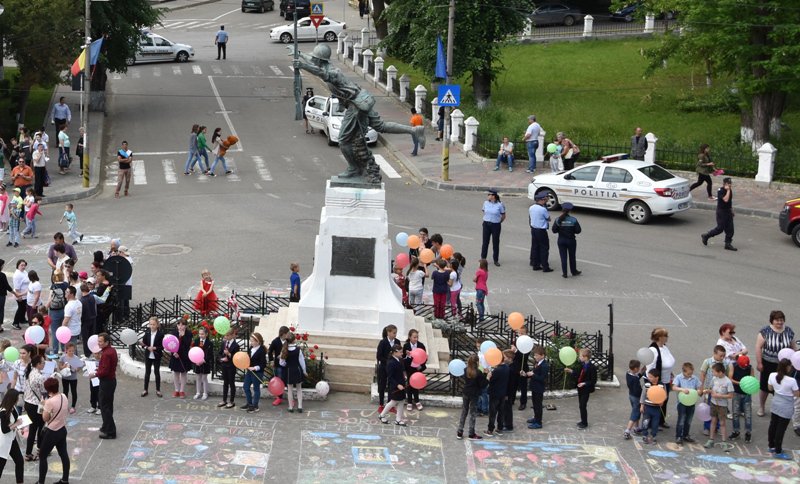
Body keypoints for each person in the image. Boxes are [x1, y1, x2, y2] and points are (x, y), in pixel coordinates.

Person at [293, 44, 425, 181]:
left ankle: (354, 169)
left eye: (315, 59)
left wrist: (303, 66)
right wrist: (300, 54)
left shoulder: (333, 73)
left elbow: (320, 72)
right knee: (380, 126)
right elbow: (315, 64)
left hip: (355, 105)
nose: (313, 60)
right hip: (362, 100)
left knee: (343, 140)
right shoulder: (323, 65)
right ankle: (414, 130)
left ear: (320, 60)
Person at [755, 310, 794, 417]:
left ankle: (778, 409)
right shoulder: (765, 331)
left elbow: (793, 346)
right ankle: (762, 407)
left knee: (783, 386)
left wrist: (795, 361)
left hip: (784, 364)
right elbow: (758, 347)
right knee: (765, 387)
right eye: (777, 320)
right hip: (768, 363)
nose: (779, 322)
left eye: (781, 320)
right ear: (772, 321)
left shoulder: (789, 331)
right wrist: (759, 363)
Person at [37, 377, 71, 484]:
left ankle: (41, 482)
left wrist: (43, 405)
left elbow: (45, 418)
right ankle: (65, 479)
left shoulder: (49, 402)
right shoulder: (64, 396)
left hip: (52, 432)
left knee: (42, 456)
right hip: (62, 429)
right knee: (63, 454)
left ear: (48, 390)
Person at [768, 358, 799, 460]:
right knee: (781, 428)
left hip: (776, 403)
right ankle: (778, 450)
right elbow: (796, 394)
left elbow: (770, 388)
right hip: (786, 406)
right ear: (787, 367)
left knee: (773, 425)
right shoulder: (792, 380)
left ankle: (771, 446)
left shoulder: (772, 375)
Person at [88, 333, 117, 439]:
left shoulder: (106, 354)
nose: (98, 343)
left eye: (100, 341)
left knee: (104, 406)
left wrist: (95, 374)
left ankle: (110, 431)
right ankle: (106, 426)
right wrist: (98, 370)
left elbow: (104, 371)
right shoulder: (111, 350)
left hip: (107, 382)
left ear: (106, 342)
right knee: (108, 405)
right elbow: (106, 368)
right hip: (110, 381)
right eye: (98, 341)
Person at [645, 327, 675, 427]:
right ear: (660, 337)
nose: (667, 338)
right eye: (665, 336)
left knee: (664, 400)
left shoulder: (665, 347)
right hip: (657, 381)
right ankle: (653, 423)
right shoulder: (653, 350)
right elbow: (650, 368)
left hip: (666, 379)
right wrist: (654, 383)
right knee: (655, 402)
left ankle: (661, 421)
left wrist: (670, 373)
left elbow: (669, 362)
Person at [701, 177, 736, 251]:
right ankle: (706, 236)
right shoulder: (720, 190)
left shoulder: (730, 190)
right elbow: (726, 200)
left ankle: (727, 244)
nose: (730, 185)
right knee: (720, 228)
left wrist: (731, 210)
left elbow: (729, 202)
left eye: (730, 183)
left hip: (728, 211)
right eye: (728, 184)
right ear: (724, 184)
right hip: (721, 212)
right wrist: (728, 190)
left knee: (730, 229)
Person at [457, 354, 486, 440]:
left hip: (466, 393)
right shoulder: (478, 372)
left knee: (464, 412)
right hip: (474, 395)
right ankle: (471, 433)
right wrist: (487, 378)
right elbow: (482, 385)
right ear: (477, 362)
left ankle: (459, 432)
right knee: (472, 413)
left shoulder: (465, 370)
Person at [566, 348, 597, 429]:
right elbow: (579, 374)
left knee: (582, 405)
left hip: (586, 389)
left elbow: (593, 380)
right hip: (580, 388)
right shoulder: (582, 365)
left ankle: (585, 423)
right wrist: (571, 371)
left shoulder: (592, 367)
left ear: (585, 357)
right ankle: (583, 420)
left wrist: (584, 383)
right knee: (581, 405)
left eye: (580, 356)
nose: (579, 357)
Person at [704, 362, 733, 448]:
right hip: (713, 403)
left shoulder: (728, 382)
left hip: (722, 405)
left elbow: (731, 395)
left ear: (720, 372)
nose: (713, 373)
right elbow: (710, 389)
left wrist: (719, 395)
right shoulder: (714, 379)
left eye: (714, 371)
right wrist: (707, 391)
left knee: (722, 423)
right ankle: (711, 440)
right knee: (713, 421)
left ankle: (724, 441)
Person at [23, 354, 46, 460]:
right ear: (38, 364)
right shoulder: (40, 377)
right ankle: (39, 449)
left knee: (33, 428)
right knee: (39, 427)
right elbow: (44, 391)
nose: (44, 364)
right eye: (43, 363)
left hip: (28, 403)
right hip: (36, 404)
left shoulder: (30, 371)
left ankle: (29, 452)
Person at [378, 344, 407, 426]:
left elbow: (402, 370)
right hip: (395, 386)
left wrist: (404, 376)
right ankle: (382, 415)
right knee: (393, 401)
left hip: (401, 384)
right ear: (395, 352)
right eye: (401, 352)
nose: (402, 354)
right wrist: (397, 385)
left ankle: (398, 419)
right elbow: (390, 377)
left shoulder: (399, 360)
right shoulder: (390, 363)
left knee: (402, 401)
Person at [484, 349, 511, 437]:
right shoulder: (507, 368)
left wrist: (488, 375)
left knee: (492, 412)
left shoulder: (497, 370)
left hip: (494, 394)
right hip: (503, 393)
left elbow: (491, 381)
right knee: (501, 411)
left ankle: (490, 429)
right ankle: (499, 428)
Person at [0, 389, 24, 484]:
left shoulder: (12, 407)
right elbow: (4, 429)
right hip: (3, 443)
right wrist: (16, 424)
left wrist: (18, 427)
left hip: (11, 440)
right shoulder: (3, 411)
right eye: (17, 398)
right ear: (12, 399)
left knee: (19, 461)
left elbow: (12, 423)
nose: (18, 400)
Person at [673, 362, 700, 445]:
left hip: (691, 403)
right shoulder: (678, 377)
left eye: (691, 373)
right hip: (682, 403)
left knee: (688, 420)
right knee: (681, 420)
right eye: (688, 374)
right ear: (684, 372)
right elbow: (674, 387)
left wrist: (699, 390)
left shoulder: (694, 378)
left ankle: (685, 435)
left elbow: (699, 387)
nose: (690, 375)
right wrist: (682, 389)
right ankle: (678, 436)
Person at [552, 202, 582, 278]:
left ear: (562, 210)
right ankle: (574, 271)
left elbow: (554, 230)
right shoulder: (573, 220)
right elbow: (578, 231)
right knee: (572, 256)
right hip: (571, 241)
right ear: (570, 210)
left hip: (561, 240)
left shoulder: (558, 219)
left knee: (563, 257)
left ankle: (565, 273)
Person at [279, 332, 307, 413]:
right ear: (294, 340)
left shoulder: (284, 349)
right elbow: (302, 362)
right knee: (299, 389)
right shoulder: (298, 350)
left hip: (289, 371)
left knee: (290, 390)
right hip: (297, 370)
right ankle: (300, 406)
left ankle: (291, 407)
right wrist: (304, 371)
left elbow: (281, 363)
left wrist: (286, 364)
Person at [729, 355, 753, 442]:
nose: (744, 368)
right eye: (742, 366)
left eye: (745, 367)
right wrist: (740, 383)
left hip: (747, 394)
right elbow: (730, 378)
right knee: (735, 413)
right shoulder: (733, 366)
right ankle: (736, 431)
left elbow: (752, 379)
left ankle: (748, 432)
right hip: (736, 392)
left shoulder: (750, 368)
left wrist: (748, 384)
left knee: (748, 414)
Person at [242, 332, 266, 413]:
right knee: (245, 387)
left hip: (257, 373)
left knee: (256, 389)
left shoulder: (262, 350)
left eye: (252, 341)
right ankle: (249, 403)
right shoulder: (250, 348)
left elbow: (263, 364)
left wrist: (255, 368)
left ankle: (255, 406)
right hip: (249, 371)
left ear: (258, 341)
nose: (251, 342)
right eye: (250, 341)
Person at [168, 319, 193, 398]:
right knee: (176, 373)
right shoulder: (174, 333)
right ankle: (176, 390)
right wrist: (173, 353)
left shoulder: (189, 334)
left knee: (183, 373)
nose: (180, 327)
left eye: (182, 325)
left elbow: (187, 344)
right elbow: (170, 344)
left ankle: (182, 390)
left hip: (184, 356)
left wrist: (183, 336)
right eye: (179, 325)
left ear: (185, 326)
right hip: (175, 355)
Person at [481, 190, 506, 267]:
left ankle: (496, 260)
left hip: (495, 225)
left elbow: (503, 215)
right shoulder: (485, 203)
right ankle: (483, 259)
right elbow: (484, 211)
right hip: (486, 224)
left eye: (489, 194)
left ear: (494, 196)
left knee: (495, 243)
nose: (488, 196)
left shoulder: (500, 204)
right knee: (485, 242)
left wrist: (498, 222)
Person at [376, 325, 398, 412]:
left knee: (392, 386)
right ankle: (381, 404)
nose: (395, 335)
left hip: (393, 369)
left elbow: (399, 354)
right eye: (394, 333)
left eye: (396, 333)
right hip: (384, 368)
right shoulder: (383, 342)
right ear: (388, 333)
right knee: (382, 385)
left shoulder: (397, 342)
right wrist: (388, 362)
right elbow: (379, 356)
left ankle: (390, 404)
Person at [403, 329, 426, 411]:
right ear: (410, 337)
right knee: (409, 384)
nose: (416, 339)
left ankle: (417, 401)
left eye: (417, 337)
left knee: (416, 384)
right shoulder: (406, 346)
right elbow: (403, 358)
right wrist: (408, 356)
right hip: (409, 368)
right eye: (414, 337)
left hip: (417, 369)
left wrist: (421, 366)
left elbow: (424, 357)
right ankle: (409, 401)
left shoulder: (421, 345)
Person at [529, 192, 553, 272]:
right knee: (544, 248)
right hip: (541, 230)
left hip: (534, 229)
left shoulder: (531, 207)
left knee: (535, 247)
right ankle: (545, 266)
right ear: (542, 200)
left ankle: (535, 264)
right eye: (545, 199)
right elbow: (548, 218)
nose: (546, 200)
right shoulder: (543, 209)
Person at [140, 317, 163, 398]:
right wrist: (147, 347)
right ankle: (145, 389)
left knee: (157, 372)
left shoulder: (160, 334)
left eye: (154, 324)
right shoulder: (147, 333)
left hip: (156, 355)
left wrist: (155, 348)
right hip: (148, 355)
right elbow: (143, 344)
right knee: (147, 373)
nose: (152, 326)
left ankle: (158, 390)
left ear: (157, 325)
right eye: (150, 324)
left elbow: (162, 346)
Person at [526, 345, 548, 429]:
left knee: (538, 405)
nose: (535, 357)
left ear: (542, 355)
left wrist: (533, 375)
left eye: (536, 355)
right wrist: (527, 374)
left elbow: (542, 378)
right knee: (535, 404)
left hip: (539, 388)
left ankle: (538, 422)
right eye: (534, 355)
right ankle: (535, 418)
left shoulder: (544, 365)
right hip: (535, 387)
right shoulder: (538, 363)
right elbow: (534, 373)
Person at [639, 369, 663, 444]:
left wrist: (662, 401)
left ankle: (653, 436)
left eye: (651, 377)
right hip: (647, 407)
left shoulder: (661, 385)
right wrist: (642, 405)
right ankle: (644, 435)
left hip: (656, 408)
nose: (649, 378)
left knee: (655, 423)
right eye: (649, 376)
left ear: (657, 377)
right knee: (645, 422)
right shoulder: (646, 385)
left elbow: (663, 395)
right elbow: (643, 396)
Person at [58, 342, 84, 414]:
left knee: (73, 391)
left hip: (73, 378)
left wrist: (76, 369)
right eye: (70, 351)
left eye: (73, 351)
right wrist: (64, 366)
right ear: (66, 350)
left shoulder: (76, 358)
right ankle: (65, 406)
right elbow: (60, 367)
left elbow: (79, 368)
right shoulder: (63, 357)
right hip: (65, 377)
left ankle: (73, 406)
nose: (71, 352)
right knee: (65, 391)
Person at [218, 328, 240, 408]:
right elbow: (220, 353)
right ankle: (224, 400)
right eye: (225, 335)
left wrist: (229, 354)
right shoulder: (224, 343)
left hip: (231, 366)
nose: (226, 337)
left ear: (232, 335)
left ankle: (231, 401)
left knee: (231, 383)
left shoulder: (236, 345)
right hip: (224, 365)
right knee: (225, 383)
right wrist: (221, 358)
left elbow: (236, 357)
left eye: (227, 335)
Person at [268, 325, 290, 406]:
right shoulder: (275, 341)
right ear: (283, 334)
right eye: (287, 333)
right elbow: (270, 351)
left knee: (288, 382)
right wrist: (271, 360)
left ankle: (290, 398)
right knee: (280, 382)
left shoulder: (288, 342)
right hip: (278, 365)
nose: (288, 335)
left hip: (287, 365)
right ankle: (279, 398)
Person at [623, 359, 643, 440]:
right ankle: (627, 431)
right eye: (638, 368)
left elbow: (637, 376)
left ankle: (636, 428)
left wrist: (641, 372)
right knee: (635, 413)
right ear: (635, 369)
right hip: (636, 397)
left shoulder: (628, 373)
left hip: (631, 396)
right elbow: (637, 389)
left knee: (637, 412)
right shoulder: (634, 379)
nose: (639, 369)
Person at [193, 327, 214, 401]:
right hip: (197, 362)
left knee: (204, 378)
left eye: (202, 334)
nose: (200, 335)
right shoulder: (196, 341)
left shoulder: (209, 343)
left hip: (205, 363)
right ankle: (198, 392)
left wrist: (203, 360)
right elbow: (194, 351)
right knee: (198, 377)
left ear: (206, 334)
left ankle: (205, 393)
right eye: (199, 334)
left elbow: (210, 354)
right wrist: (196, 361)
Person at [79, 283, 97, 357]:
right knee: (91, 337)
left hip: (85, 321)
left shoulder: (81, 301)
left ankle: (87, 354)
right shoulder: (92, 297)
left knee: (85, 339)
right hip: (93, 319)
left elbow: (81, 313)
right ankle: (91, 352)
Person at [12, 260, 29, 329]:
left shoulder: (24, 272)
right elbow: (17, 288)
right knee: (21, 309)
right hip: (20, 295)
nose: (23, 267)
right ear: (18, 265)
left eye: (24, 265)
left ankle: (22, 319)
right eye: (21, 265)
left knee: (24, 308)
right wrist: (19, 296)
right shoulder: (17, 275)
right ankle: (15, 323)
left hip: (25, 295)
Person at [0, 260, 13, 332]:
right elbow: (7, 286)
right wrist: (15, 293)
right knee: (1, 310)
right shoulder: (2, 275)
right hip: (1, 296)